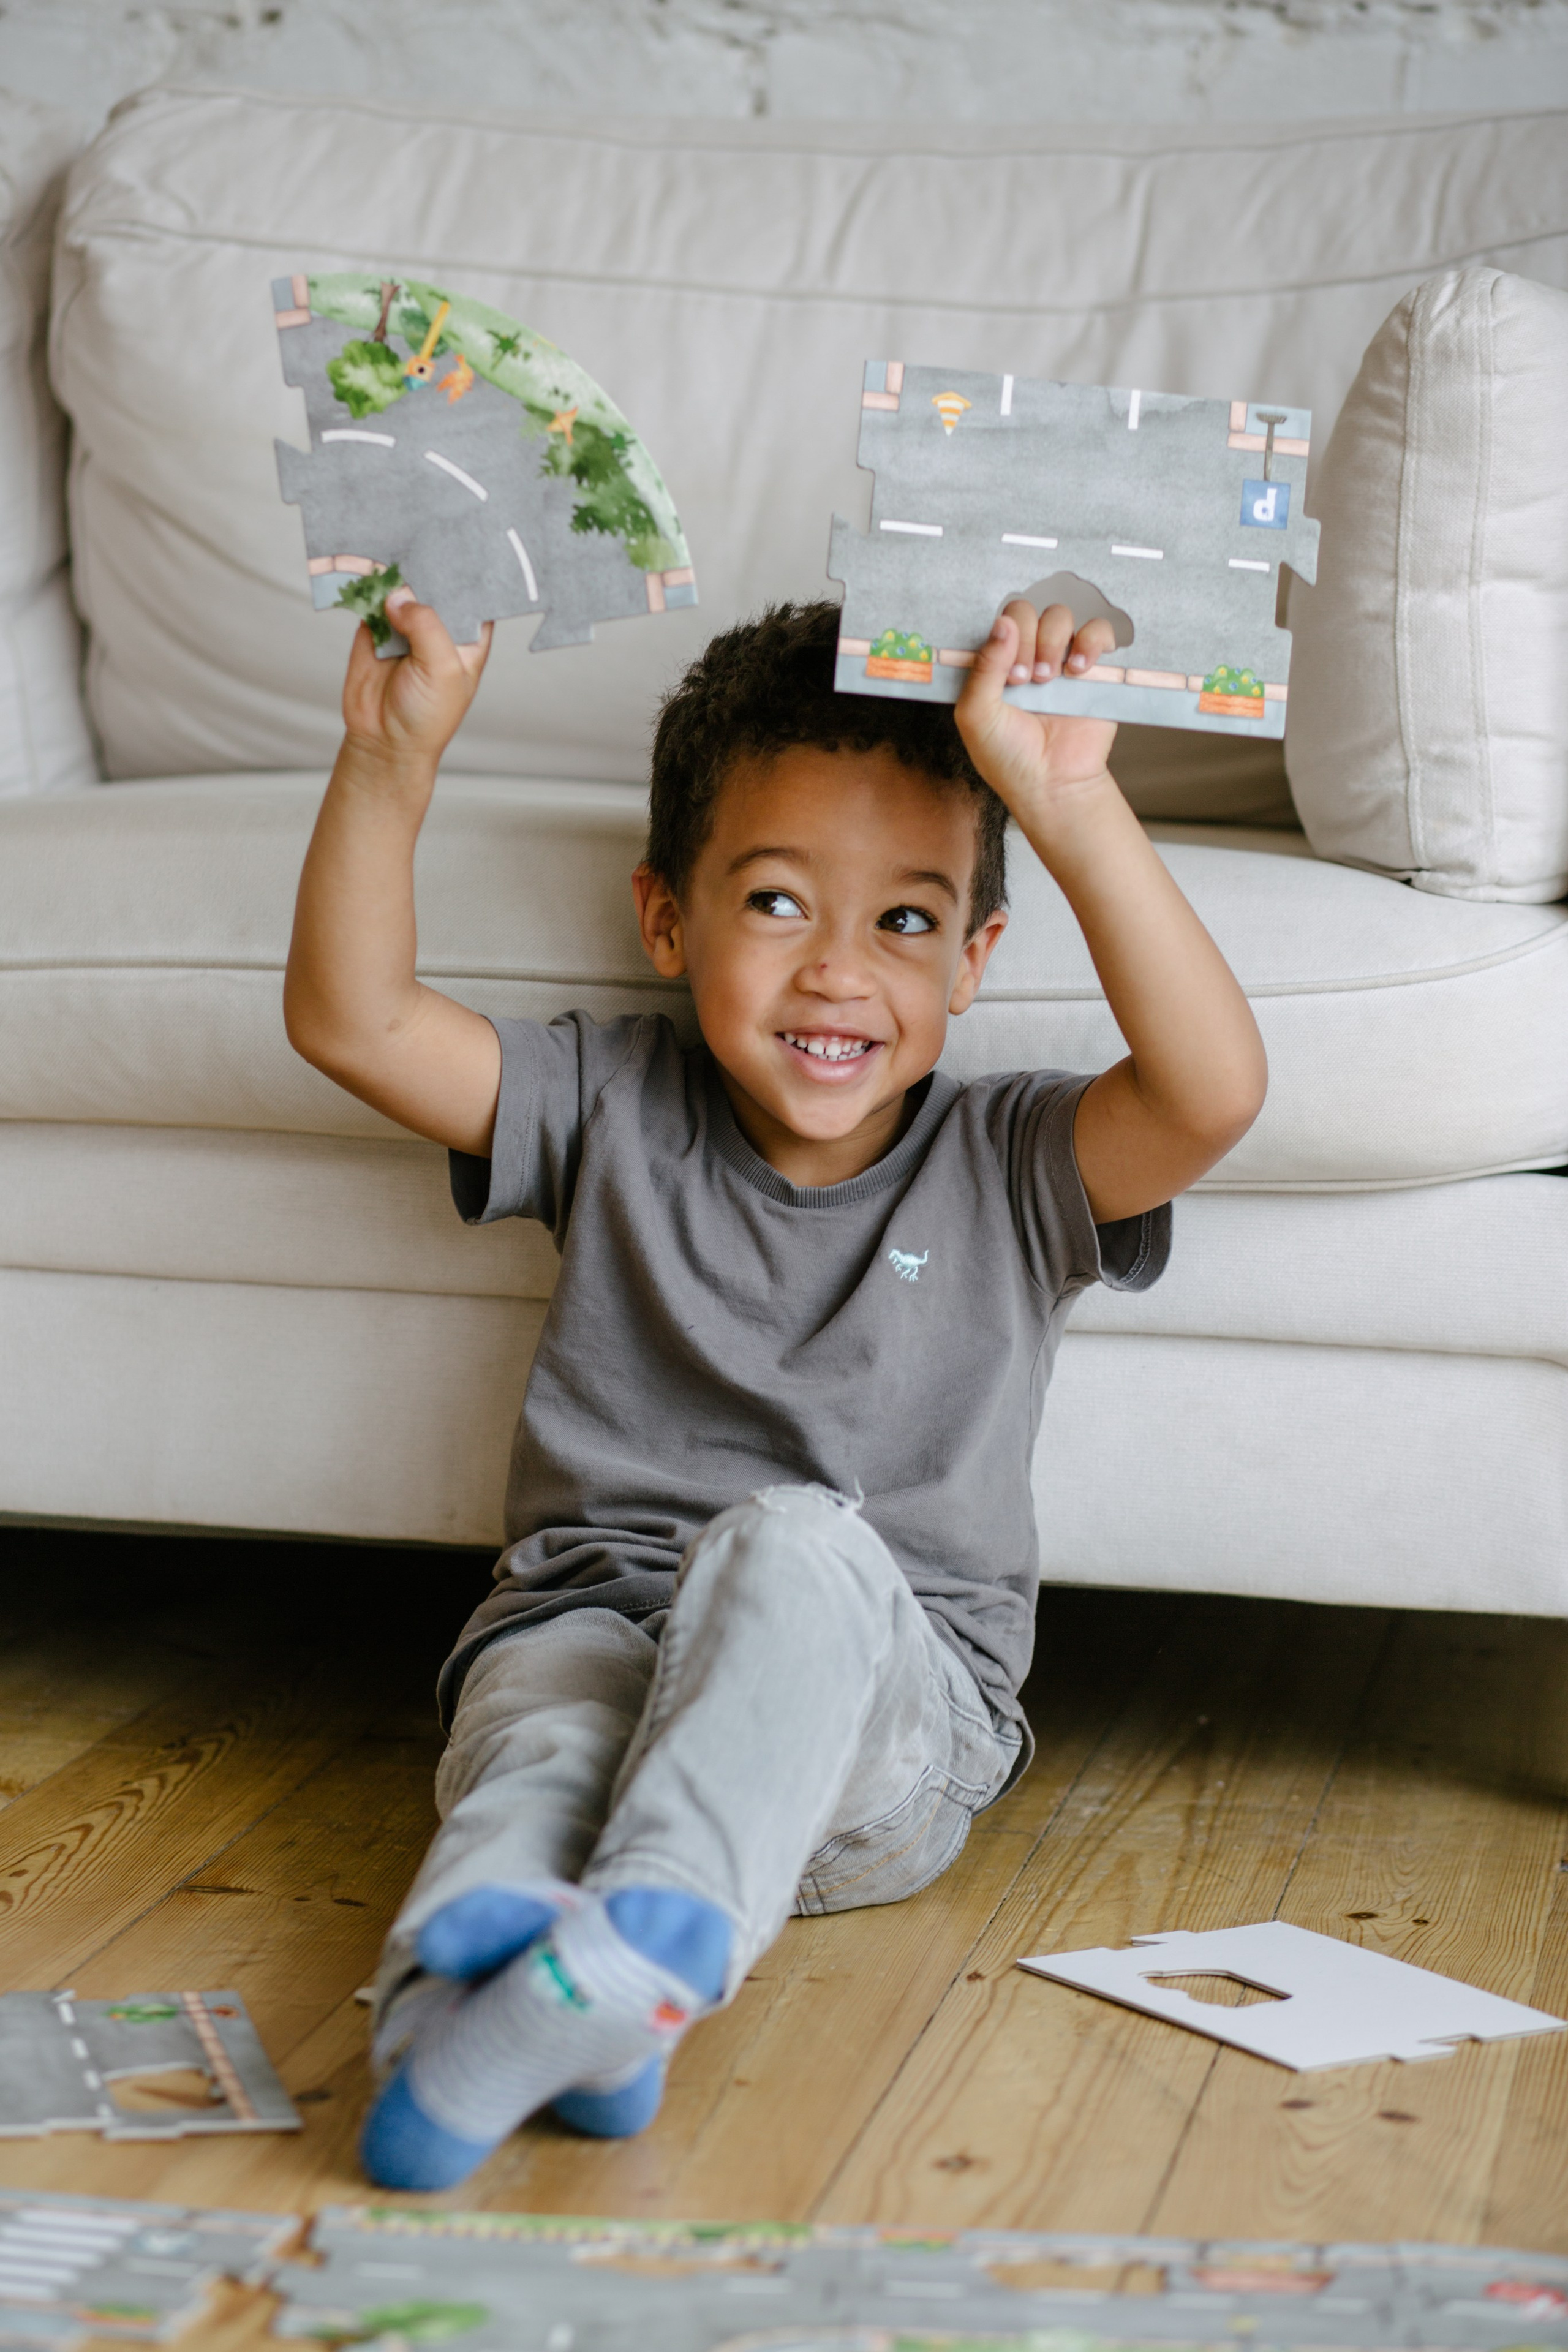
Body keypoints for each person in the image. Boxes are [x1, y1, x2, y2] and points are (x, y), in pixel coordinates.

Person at [283, 586, 1267, 2191]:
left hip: (881, 1727)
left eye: (902, 923)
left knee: (792, 1543)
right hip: (592, 1629)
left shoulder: (1011, 1158)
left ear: (974, 957)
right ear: (667, 921)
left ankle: (643, 1937)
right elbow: (354, 1019)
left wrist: (1071, 802)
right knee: (540, 1737)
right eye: (777, 905)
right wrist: (387, 762)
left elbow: (1213, 1090)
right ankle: (485, 2016)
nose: (836, 975)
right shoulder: (610, 1099)